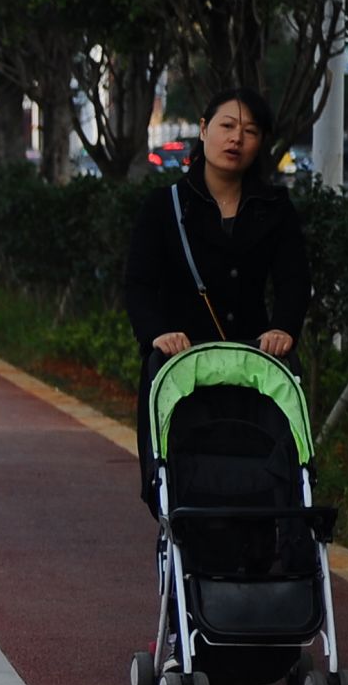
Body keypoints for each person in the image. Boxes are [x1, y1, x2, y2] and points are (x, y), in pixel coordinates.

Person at [123, 88, 310, 514]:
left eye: (249, 131)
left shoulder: (275, 207)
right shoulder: (164, 207)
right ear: (204, 130)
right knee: (185, 481)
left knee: (261, 481)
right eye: (227, 126)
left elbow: (294, 280)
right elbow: (138, 284)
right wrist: (157, 334)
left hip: (254, 368)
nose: (236, 140)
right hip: (181, 368)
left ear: (260, 142)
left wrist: (284, 327)